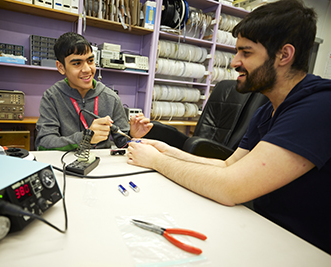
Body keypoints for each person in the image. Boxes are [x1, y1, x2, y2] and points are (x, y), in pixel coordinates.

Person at [127, 0, 331, 254]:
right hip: (267, 232)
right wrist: (166, 151)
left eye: (246, 53)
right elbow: (228, 165)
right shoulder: (269, 107)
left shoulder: (319, 106)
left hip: (306, 250)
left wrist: (156, 162)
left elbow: (230, 187)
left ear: (284, 55)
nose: (234, 62)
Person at [35, 32, 152, 151]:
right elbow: (44, 144)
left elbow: (122, 143)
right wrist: (86, 138)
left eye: (90, 61)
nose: (87, 69)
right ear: (61, 67)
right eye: (77, 63)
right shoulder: (52, 97)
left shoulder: (111, 98)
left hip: (102, 166)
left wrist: (133, 136)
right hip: (64, 165)